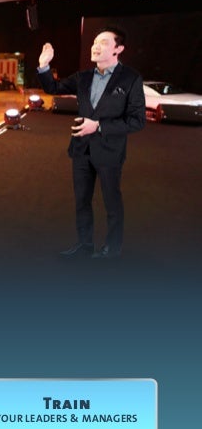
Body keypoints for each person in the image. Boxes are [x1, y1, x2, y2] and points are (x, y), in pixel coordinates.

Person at [37, 26, 146, 259]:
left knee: (112, 203)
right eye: (95, 42)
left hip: (110, 151)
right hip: (81, 149)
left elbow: (137, 120)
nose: (95, 46)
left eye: (104, 42)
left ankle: (112, 248)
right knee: (82, 201)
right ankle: (84, 244)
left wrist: (99, 126)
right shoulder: (83, 77)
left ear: (118, 49)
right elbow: (52, 87)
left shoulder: (130, 78)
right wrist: (44, 65)